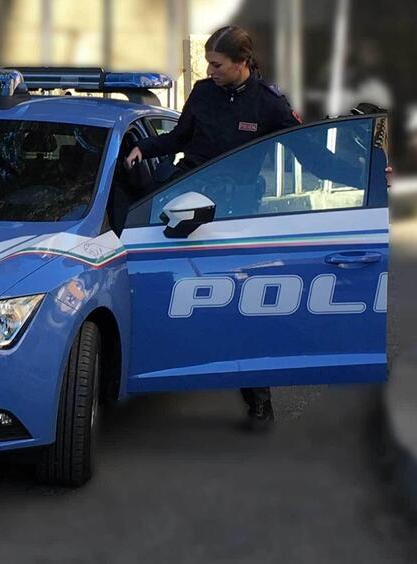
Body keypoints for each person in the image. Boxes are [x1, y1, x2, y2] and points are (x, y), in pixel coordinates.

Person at [124, 25, 302, 432]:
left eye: (217, 63)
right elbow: (178, 137)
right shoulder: (203, 93)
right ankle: (167, 371)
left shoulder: (269, 104)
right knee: (173, 291)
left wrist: (361, 172)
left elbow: (306, 150)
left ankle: (259, 400)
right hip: (188, 205)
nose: (209, 69)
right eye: (207, 62)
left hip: (237, 216)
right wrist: (143, 148)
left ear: (242, 63)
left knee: (242, 305)